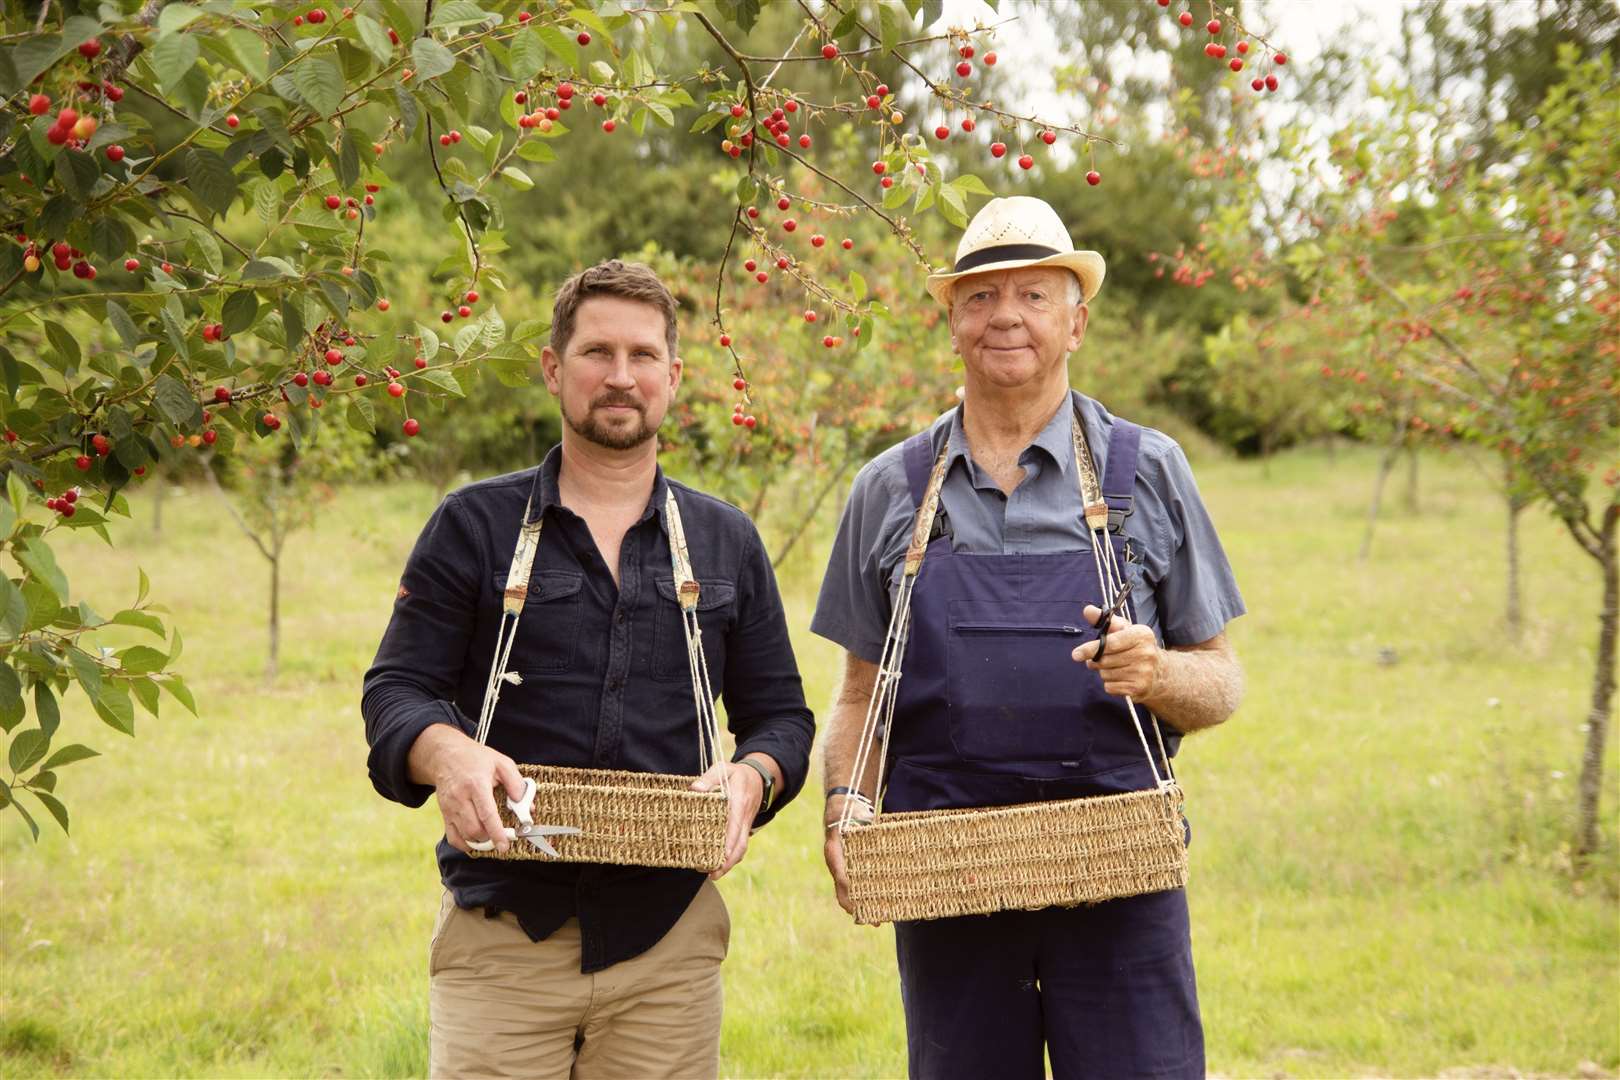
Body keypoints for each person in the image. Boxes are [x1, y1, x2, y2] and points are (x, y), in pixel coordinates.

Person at [811, 196, 1246, 1079]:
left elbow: (1224, 683)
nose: (1005, 313)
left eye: (1035, 295)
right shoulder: (889, 489)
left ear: (1076, 321)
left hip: (1119, 869)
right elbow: (861, 694)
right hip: (948, 876)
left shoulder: (1147, 470)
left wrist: (1156, 671)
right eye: (980, 295)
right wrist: (844, 804)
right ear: (952, 321)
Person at [362, 259, 815, 1079]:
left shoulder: (725, 541)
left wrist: (753, 777)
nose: (620, 376)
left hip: (668, 951)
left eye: (643, 356)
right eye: (596, 352)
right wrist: (449, 752)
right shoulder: (473, 525)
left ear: (674, 377)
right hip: (502, 939)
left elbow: (784, 718)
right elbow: (396, 691)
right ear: (552, 368)